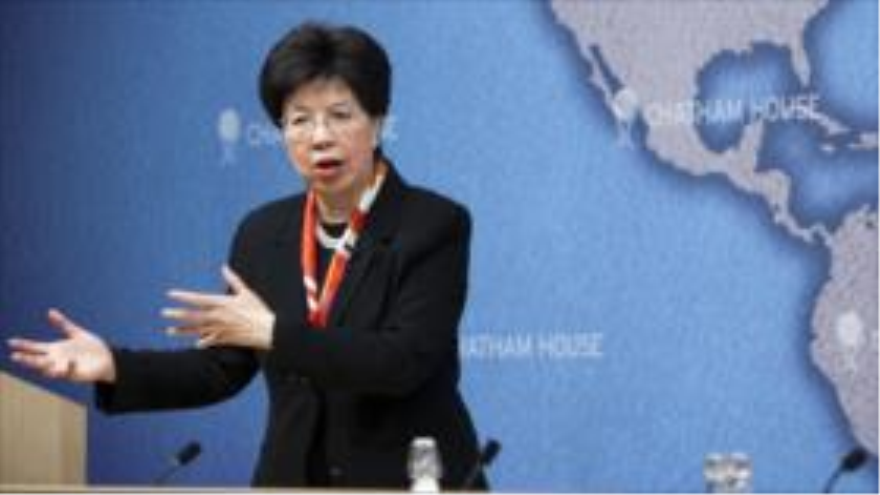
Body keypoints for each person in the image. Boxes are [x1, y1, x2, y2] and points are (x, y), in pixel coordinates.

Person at [7, 22, 487, 489]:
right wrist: (113, 365)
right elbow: (220, 368)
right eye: (299, 119)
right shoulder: (264, 233)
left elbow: (401, 362)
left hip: (408, 480)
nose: (319, 136)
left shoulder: (431, 224)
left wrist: (273, 333)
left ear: (377, 124)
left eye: (340, 115)